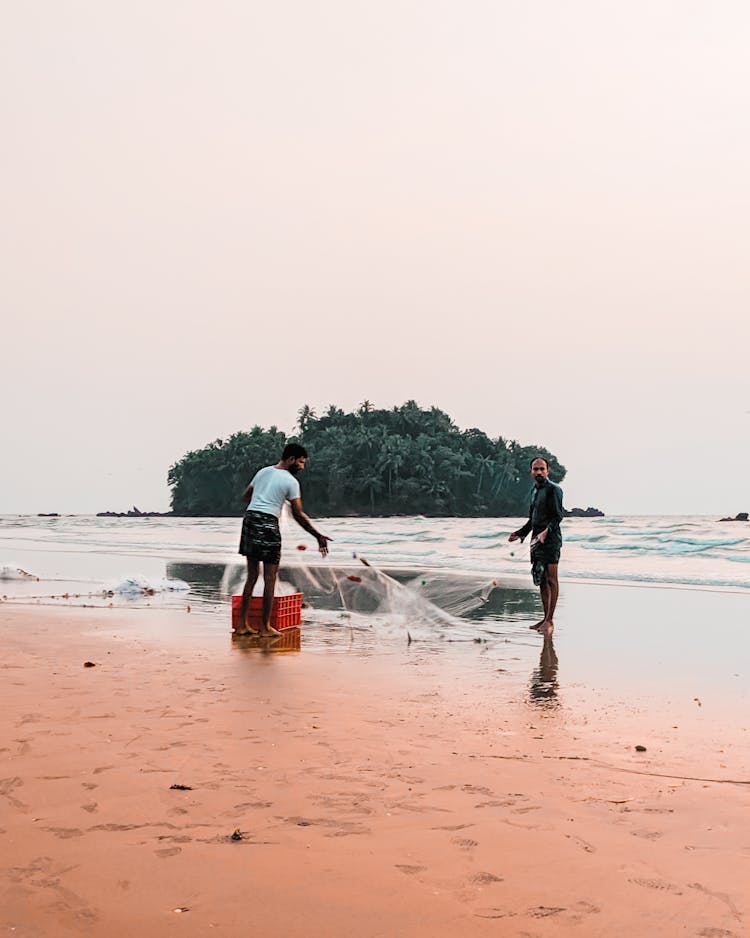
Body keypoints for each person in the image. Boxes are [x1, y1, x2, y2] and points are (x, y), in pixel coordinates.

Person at [237, 443, 330, 636]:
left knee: (252, 576)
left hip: (250, 519)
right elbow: (298, 514)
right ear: (291, 459)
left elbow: (246, 497)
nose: (302, 467)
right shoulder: (291, 482)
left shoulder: (263, 472)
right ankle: (264, 627)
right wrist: (318, 536)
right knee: (270, 577)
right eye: (301, 462)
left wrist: (266, 497)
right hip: (268, 523)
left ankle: (242, 625)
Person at [508, 456, 564, 635]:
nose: (539, 472)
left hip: (551, 541)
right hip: (535, 542)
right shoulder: (534, 491)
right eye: (535, 469)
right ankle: (544, 617)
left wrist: (546, 532)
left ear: (548, 471)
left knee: (551, 579)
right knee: (540, 579)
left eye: (542, 469)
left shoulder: (554, 490)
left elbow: (557, 517)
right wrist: (520, 533)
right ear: (531, 471)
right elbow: (533, 519)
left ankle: (550, 620)